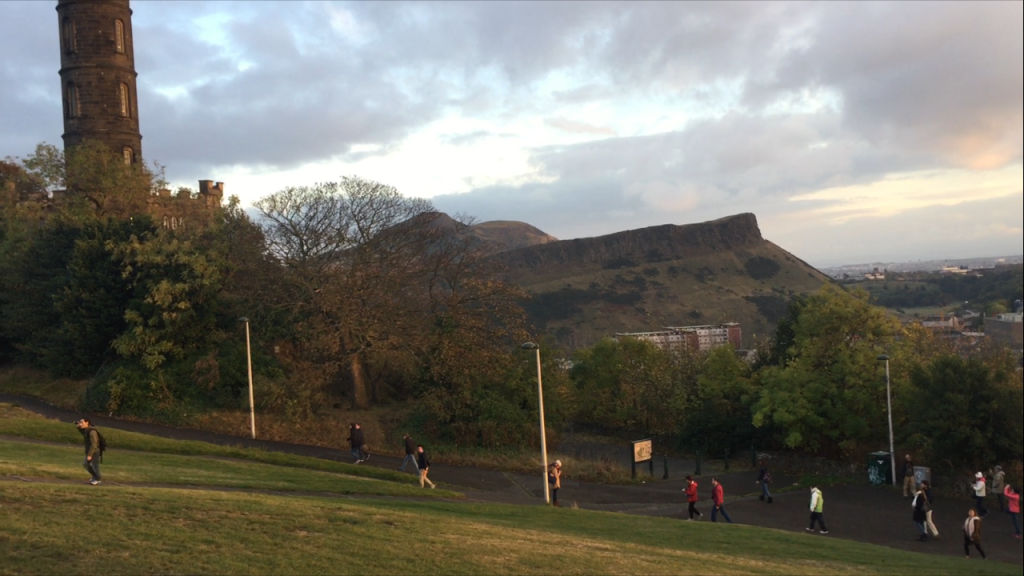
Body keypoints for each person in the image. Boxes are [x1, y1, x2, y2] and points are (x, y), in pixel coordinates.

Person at [75, 418, 103, 486]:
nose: (81, 423)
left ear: (87, 422)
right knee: (86, 464)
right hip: (89, 451)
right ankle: (95, 476)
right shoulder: (86, 430)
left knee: (94, 466)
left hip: (94, 451)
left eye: (82, 422)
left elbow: (94, 444)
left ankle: (97, 479)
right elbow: (82, 432)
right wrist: (78, 427)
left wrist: (90, 454)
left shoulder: (92, 431)